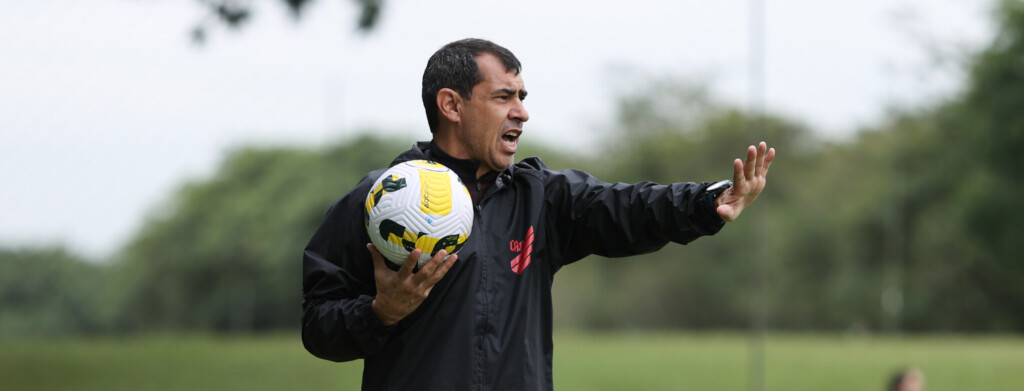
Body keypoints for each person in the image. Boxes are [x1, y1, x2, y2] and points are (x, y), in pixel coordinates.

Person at [302, 38, 775, 390]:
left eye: (522, 97)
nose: (522, 113)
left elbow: (628, 206)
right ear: (451, 105)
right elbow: (318, 325)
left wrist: (707, 201)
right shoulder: (378, 200)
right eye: (504, 96)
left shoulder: (541, 198)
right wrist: (379, 313)